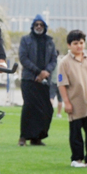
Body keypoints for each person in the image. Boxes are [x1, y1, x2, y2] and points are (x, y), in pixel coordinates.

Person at [58, 30, 87, 168]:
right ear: (69, 45)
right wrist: (66, 102)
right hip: (74, 103)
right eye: (75, 43)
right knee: (76, 134)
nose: (79, 46)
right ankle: (76, 159)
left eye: (81, 43)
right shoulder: (64, 62)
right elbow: (61, 84)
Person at [18, 15, 57, 146]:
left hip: (45, 80)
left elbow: (53, 60)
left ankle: (37, 137)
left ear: (45, 27)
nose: (39, 27)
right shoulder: (26, 40)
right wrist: (38, 72)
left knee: (45, 109)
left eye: (41, 25)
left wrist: (46, 72)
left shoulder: (50, 42)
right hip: (29, 79)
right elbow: (23, 58)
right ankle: (23, 137)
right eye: (36, 25)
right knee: (29, 107)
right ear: (33, 27)